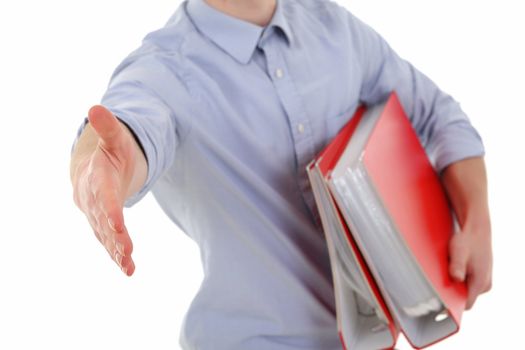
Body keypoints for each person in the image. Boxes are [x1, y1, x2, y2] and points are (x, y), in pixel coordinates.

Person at [70, 0, 492, 348]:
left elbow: (439, 116)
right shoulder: (165, 69)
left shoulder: (333, 27)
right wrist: (101, 165)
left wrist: (476, 220)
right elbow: (124, 128)